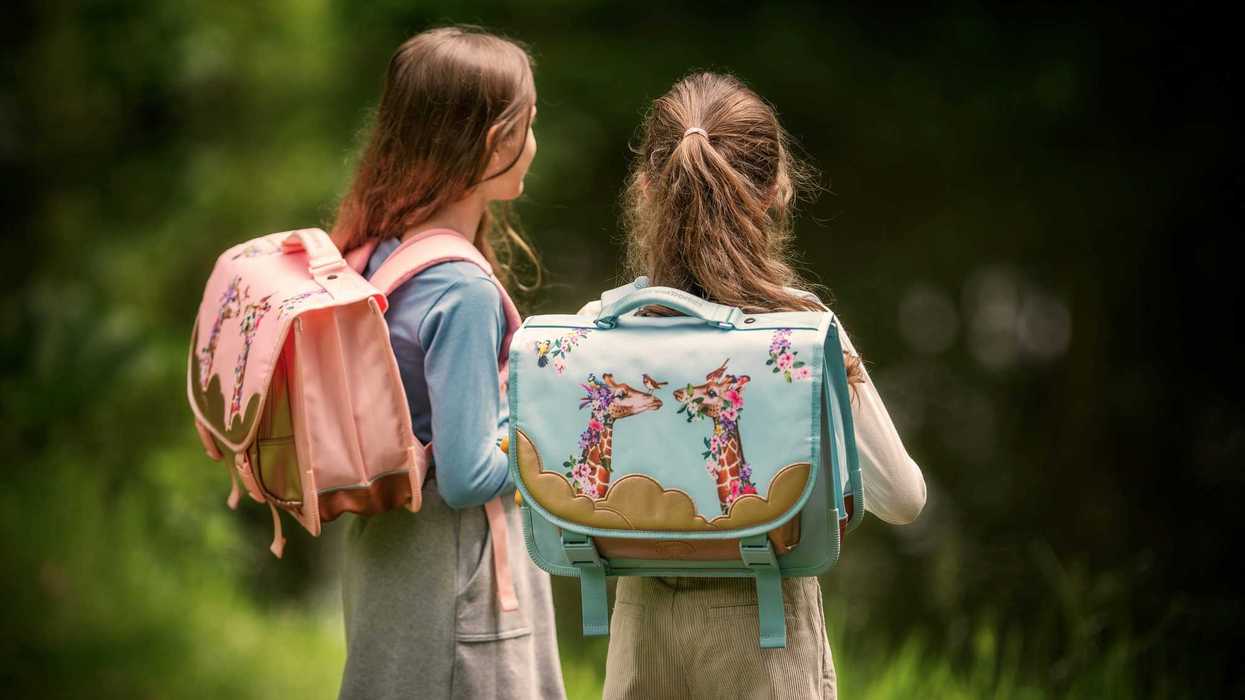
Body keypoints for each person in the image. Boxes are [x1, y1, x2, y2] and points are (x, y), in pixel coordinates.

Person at [585, 72, 928, 700]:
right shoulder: (802, 331)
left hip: (641, 629)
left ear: (647, 189)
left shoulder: (602, 326)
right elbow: (903, 498)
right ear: (774, 190)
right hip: (766, 636)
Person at [331, 26, 564, 700]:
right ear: (494, 142)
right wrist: (557, 430)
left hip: (389, 562)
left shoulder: (377, 251)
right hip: (458, 583)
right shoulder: (460, 290)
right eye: (528, 124)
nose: (534, 143)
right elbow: (468, 476)